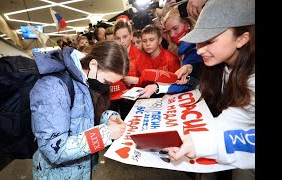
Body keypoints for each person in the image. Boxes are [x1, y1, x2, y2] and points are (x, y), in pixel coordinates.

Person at [162, 0, 255, 178]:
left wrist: (201, 144)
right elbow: (235, 118)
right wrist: (189, 140)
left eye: (210, 41)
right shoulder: (224, 67)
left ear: (242, 38)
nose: (199, 51)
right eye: (198, 42)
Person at [29, 41, 129, 180]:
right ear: (93, 65)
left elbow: (82, 119)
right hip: (55, 174)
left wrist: (107, 118)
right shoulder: (52, 87)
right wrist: (105, 134)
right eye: (107, 81)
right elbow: (53, 150)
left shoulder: (85, 79)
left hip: (79, 170)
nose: (106, 87)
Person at [140, 6, 203, 98]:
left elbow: (187, 81)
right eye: (169, 31)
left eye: (175, 28)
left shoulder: (196, 47)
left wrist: (157, 87)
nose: (172, 34)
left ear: (188, 24)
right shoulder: (180, 50)